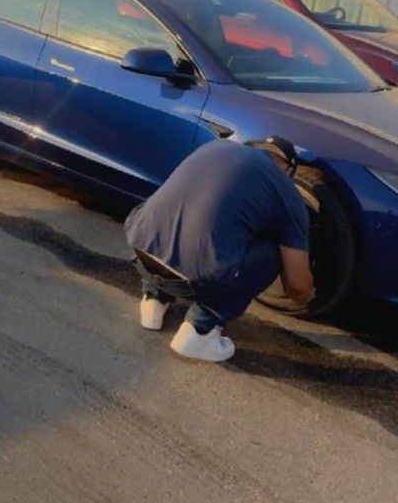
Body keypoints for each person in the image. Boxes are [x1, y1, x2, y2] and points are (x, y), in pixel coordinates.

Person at [124, 136, 313, 363]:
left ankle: (153, 299)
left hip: (139, 253)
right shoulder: (286, 191)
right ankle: (199, 331)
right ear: (290, 171)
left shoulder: (215, 148)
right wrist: (308, 294)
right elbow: (298, 287)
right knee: (272, 254)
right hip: (190, 280)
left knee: (178, 210)